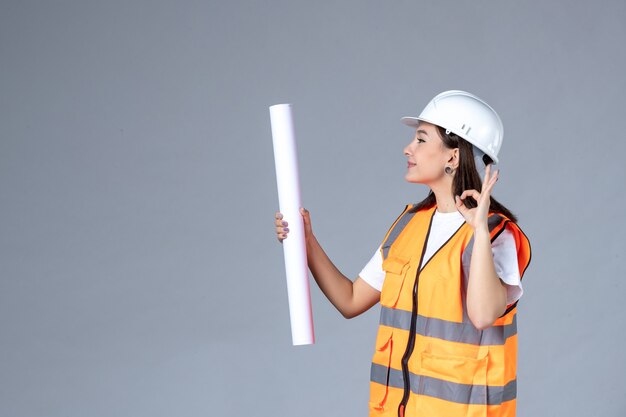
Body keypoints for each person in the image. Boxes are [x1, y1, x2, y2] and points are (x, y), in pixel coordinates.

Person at [274, 90, 532, 417]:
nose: (408, 148)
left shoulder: (496, 233)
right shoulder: (408, 226)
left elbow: (483, 315)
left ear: (453, 156)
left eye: (422, 140)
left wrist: (479, 231)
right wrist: (306, 241)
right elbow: (350, 300)